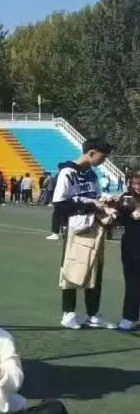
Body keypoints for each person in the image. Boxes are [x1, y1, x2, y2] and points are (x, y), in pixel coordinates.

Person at [55, 137, 116, 330]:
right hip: (76, 229)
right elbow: (59, 203)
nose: (103, 161)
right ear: (91, 153)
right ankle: (68, 313)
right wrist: (90, 205)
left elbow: (95, 195)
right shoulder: (67, 172)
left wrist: (104, 200)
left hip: (95, 227)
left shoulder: (91, 173)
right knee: (72, 268)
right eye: (102, 157)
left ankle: (93, 314)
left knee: (96, 271)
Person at [118, 172, 140, 331]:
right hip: (131, 247)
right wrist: (126, 212)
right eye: (135, 183)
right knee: (132, 283)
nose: (137, 187)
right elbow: (119, 219)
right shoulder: (126, 197)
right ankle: (129, 317)